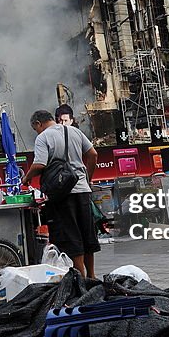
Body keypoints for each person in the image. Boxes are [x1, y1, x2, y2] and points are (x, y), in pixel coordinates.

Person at [22, 109, 99, 278]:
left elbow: (40, 165)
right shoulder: (74, 131)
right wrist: (88, 179)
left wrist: (26, 178)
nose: (37, 131)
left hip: (63, 195)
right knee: (86, 234)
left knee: (71, 237)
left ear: (38, 123)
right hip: (83, 191)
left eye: (35, 128)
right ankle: (92, 276)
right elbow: (93, 154)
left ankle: (81, 279)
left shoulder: (43, 137)